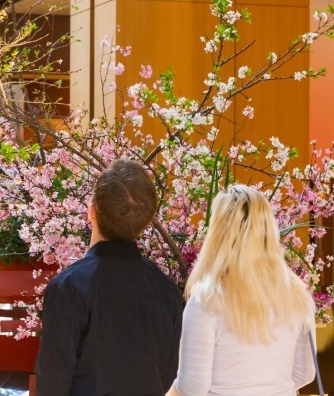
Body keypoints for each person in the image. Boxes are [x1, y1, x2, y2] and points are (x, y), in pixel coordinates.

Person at [35, 159, 183, 395]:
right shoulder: (166, 290)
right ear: (146, 220)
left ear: (91, 211)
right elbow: (169, 375)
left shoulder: (68, 287)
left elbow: (52, 383)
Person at [168, 185, 316, 395]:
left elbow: (192, 388)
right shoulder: (297, 295)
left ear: (218, 234)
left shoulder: (206, 300)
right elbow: (305, 373)